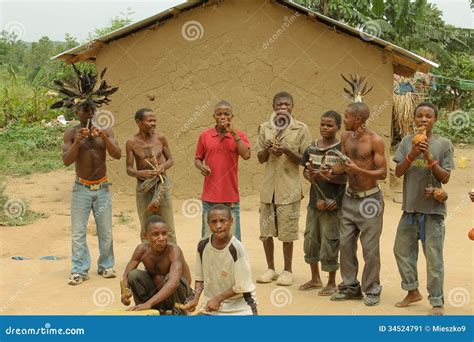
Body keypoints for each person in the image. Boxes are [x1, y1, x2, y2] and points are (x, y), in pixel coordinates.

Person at [392, 102, 454, 316]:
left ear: (435, 120)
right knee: (401, 251)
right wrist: (411, 154)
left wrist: (427, 156)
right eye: (420, 116)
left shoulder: (443, 144)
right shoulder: (407, 141)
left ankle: (437, 301)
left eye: (428, 116)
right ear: (414, 119)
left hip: (433, 213)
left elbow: (444, 177)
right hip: (410, 209)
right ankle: (412, 291)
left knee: (434, 258)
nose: (424, 120)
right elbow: (398, 172)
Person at [330, 102, 387, 306]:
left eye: (346, 116)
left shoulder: (375, 141)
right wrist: (329, 171)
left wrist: (357, 170)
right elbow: (343, 164)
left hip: (370, 200)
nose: (343, 120)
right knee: (345, 245)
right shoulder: (345, 137)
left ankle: (372, 289)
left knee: (370, 248)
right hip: (350, 198)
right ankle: (350, 287)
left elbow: (383, 173)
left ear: (358, 120)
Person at [256, 91, 312, 286]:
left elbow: (306, 160)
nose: (283, 107)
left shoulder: (301, 129)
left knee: (288, 232)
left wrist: (286, 150)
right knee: (266, 231)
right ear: (273, 108)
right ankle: (270, 268)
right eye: (279, 105)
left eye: (286, 104)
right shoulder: (265, 128)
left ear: (292, 107)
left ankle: (287, 270)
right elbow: (260, 158)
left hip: (289, 190)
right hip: (268, 189)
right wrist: (267, 149)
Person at [62, 103, 122, 285]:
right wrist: (78, 142)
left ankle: (106, 266)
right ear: (77, 112)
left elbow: (117, 154)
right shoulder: (71, 133)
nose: (89, 114)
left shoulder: (105, 130)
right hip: (81, 188)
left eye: (92, 110)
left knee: (106, 231)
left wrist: (103, 136)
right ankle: (79, 270)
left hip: (102, 187)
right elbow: (66, 160)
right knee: (78, 232)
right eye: (85, 110)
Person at [299, 111, 346, 295]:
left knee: (330, 241)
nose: (325, 128)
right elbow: (305, 172)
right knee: (310, 239)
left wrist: (332, 193)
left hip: (333, 205)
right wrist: (310, 176)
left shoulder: (342, 149)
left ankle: (332, 282)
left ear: (338, 128)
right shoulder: (311, 148)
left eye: (330, 125)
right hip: (314, 204)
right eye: (323, 124)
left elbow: (346, 178)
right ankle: (315, 278)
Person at [181, 204, 257, 315]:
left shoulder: (237, 249)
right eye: (214, 222)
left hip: (240, 307)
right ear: (208, 223)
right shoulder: (202, 246)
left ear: (231, 222)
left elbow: (242, 286)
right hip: (212, 307)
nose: (218, 225)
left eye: (223, 221)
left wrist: (218, 299)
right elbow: (200, 278)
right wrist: (195, 298)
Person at [195, 100, 251, 241]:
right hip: (210, 198)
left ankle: (234, 264)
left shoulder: (239, 135)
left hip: (230, 198)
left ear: (232, 117)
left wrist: (234, 134)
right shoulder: (205, 136)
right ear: (213, 116)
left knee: (234, 240)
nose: (223, 117)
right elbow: (197, 159)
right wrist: (201, 166)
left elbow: (246, 155)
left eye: (226, 114)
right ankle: (208, 264)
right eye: (219, 114)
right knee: (207, 239)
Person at [121, 215, 192, 314]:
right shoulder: (141, 250)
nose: (161, 238)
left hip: (179, 298)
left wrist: (149, 303)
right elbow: (126, 275)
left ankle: (179, 315)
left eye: (164, 233)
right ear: (145, 236)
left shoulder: (173, 250)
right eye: (155, 234)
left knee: (170, 278)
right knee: (133, 275)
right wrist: (125, 292)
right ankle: (147, 313)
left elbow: (174, 283)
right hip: (156, 297)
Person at [126, 108, 176, 243]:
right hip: (144, 187)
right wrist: (138, 173)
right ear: (139, 122)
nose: (153, 123)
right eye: (150, 121)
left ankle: (173, 257)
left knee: (168, 225)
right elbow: (129, 169)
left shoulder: (160, 138)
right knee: (146, 225)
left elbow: (170, 160)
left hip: (161, 185)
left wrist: (162, 167)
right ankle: (148, 257)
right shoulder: (131, 142)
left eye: (155, 120)